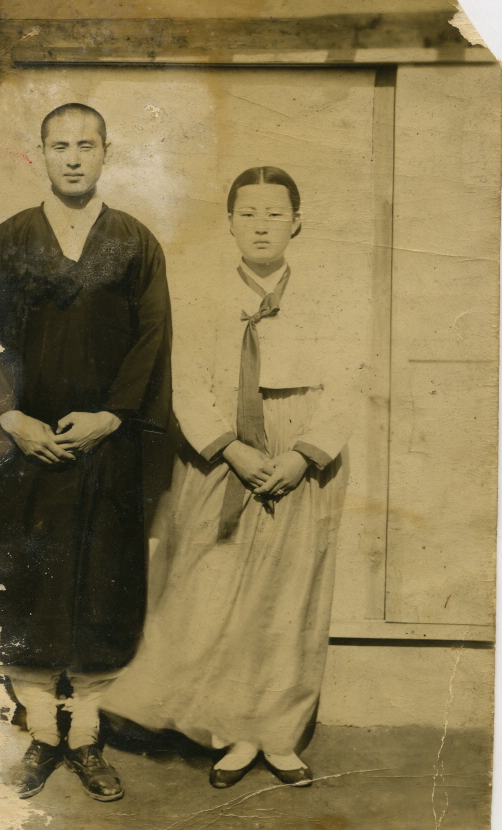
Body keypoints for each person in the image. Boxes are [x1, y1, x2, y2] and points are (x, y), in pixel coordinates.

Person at [0, 103, 171, 802]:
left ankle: (85, 737)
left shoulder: (135, 242)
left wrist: (112, 416)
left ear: (106, 152)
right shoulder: (8, 241)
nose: (73, 157)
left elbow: (153, 338)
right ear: (41, 153)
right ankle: (40, 731)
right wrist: (11, 418)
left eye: (86, 145)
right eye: (60, 145)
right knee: (27, 590)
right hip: (23, 451)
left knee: (100, 588)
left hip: (106, 448)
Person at [102, 166, 361, 789]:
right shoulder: (201, 292)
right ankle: (233, 734)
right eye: (248, 214)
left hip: (299, 447)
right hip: (223, 451)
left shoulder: (329, 291)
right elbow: (185, 382)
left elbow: (350, 381)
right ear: (229, 223)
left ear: (297, 223)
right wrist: (232, 451)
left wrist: (302, 455)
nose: (262, 226)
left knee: (289, 594)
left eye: (275, 214)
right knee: (216, 589)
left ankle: (278, 733)